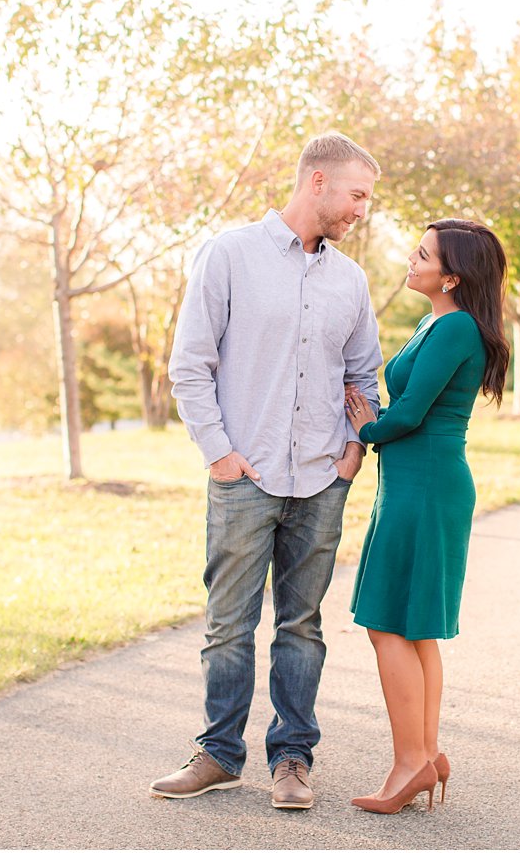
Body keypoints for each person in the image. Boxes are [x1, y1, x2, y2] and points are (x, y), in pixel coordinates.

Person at [153, 132, 384, 811]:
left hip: (320, 476)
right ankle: (220, 753)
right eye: (357, 194)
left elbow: (362, 372)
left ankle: (292, 758)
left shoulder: (351, 279)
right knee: (228, 624)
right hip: (244, 474)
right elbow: (191, 364)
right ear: (317, 182)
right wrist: (220, 453)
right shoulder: (229, 255)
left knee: (301, 625)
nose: (362, 210)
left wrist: (352, 450)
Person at [342, 218, 510, 814]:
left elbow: (409, 414)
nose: (410, 261)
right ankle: (424, 754)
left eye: (423, 255)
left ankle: (412, 760)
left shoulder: (457, 326)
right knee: (413, 626)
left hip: (427, 487)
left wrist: (366, 427)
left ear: (453, 275)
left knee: (387, 623)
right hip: (417, 484)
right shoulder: (436, 321)